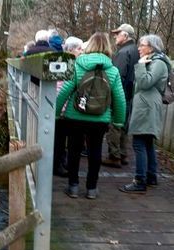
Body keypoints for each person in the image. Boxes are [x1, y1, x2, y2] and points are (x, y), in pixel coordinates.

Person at [56, 32, 126, 199]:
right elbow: (119, 99)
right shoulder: (113, 70)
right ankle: (91, 189)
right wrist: (118, 121)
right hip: (100, 118)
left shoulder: (78, 65)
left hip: (75, 116)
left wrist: (56, 113)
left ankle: (73, 187)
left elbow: (64, 91)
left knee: (74, 150)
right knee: (95, 151)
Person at [119, 34, 171, 193]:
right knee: (147, 142)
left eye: (142, 45)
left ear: (152, 47)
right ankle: (151, 177)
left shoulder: (158, 63)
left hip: (147, 106)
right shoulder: (156, 61)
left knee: (139, 142)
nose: (139, 48)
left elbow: (145, 82)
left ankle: (139, 180)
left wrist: (140, 65)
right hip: (147, 105)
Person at [102, 23, 140, 168]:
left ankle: (114, 156)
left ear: (125, 35)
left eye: (118, 34)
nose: (115, 36)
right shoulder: (135, 50)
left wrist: (110, 96)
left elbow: (116, 76)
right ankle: (123, 154)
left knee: (114, 125)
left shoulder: (124, 52)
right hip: (129, 93)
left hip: (120, 94)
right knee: (123, 125)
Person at [53, 36, 83, 177]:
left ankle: (61, 163)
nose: (82, 51)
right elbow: (60, 87)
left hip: (65, 108)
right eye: (79, 48)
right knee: (59, 139)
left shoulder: (70, 62)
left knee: (62, 138)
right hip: (62, 109)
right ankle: (57, 165)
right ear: (70, 50)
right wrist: (62, 109)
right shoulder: (65, 63)